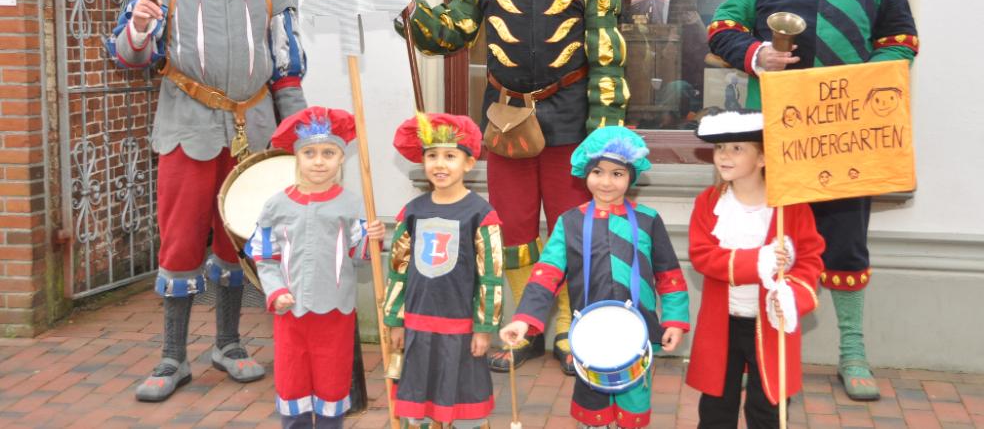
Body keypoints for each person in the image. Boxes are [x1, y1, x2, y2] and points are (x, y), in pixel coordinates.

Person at [388, 0, 629, 375]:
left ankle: (569, 327)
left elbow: (607, 60)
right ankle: (527, 326)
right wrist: (413, 7)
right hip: (506, 119)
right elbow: (449, 34)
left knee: (573, 226)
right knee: (514, 229)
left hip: (571, 119)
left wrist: (605, 134)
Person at [706, 0, 918, 401]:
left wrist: (867, 82)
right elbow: (723, 26)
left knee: (846, 238)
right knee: (773, 235)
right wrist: (757, 54)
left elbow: (900, 38)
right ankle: (766, 344)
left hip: (850, 132)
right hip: (779, 128)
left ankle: (853, 350)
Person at [106, 0, 308, 401]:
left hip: (253, 132)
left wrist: (300, 135)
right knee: (179, 239)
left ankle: (229, 344)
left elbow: (286, 71)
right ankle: (172, 357)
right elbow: (130, 56)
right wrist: (141, 26)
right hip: (186, 129)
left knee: (239, 236)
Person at [500, 126, 690, 429]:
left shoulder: (649, 220)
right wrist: (524, 319)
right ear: (585, 174)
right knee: (592, 408)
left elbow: (670, 275)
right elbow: (546, 274)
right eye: (598, 172)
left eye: (617, 173)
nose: (606, 182)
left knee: (634, 405)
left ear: (631, 177)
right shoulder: (570, 222)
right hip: (589, 336)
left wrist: (675, 321)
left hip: (637, 332)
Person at [245, 107, 384, 428]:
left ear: (341, 158)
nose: (319, 161)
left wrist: (371, 238)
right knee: (292, 379)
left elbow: (359, 255)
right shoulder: (276, 205)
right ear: (297, 157)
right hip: (290, 311)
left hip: (335, 312)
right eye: (309, 153)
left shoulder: (351, 204)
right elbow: (264, 255)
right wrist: (276, 290)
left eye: (328, 153)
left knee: (332, 381)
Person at [685, 109, 825, 428]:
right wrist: (758, 261)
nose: (724, 155)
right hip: (723, 322)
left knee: (767, 408)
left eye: (737, 148)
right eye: (720, 148)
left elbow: (811, 259)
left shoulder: (790, 206)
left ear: (762, 158)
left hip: (770, 325)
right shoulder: (709, 202)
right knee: (716, 408)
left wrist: (793, 296)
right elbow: (702, 255)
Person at [384, 113, 504, 429]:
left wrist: (484, 327)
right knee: (418, 404)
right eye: (432, 156)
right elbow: (398, 269)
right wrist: (396, 320)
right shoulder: (412, 212)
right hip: (417, 324)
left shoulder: (481, 215)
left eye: (450, 156)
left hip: (461, 327)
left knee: (465, 402)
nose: (440, 164)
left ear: (469, 163)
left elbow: (490, 277)